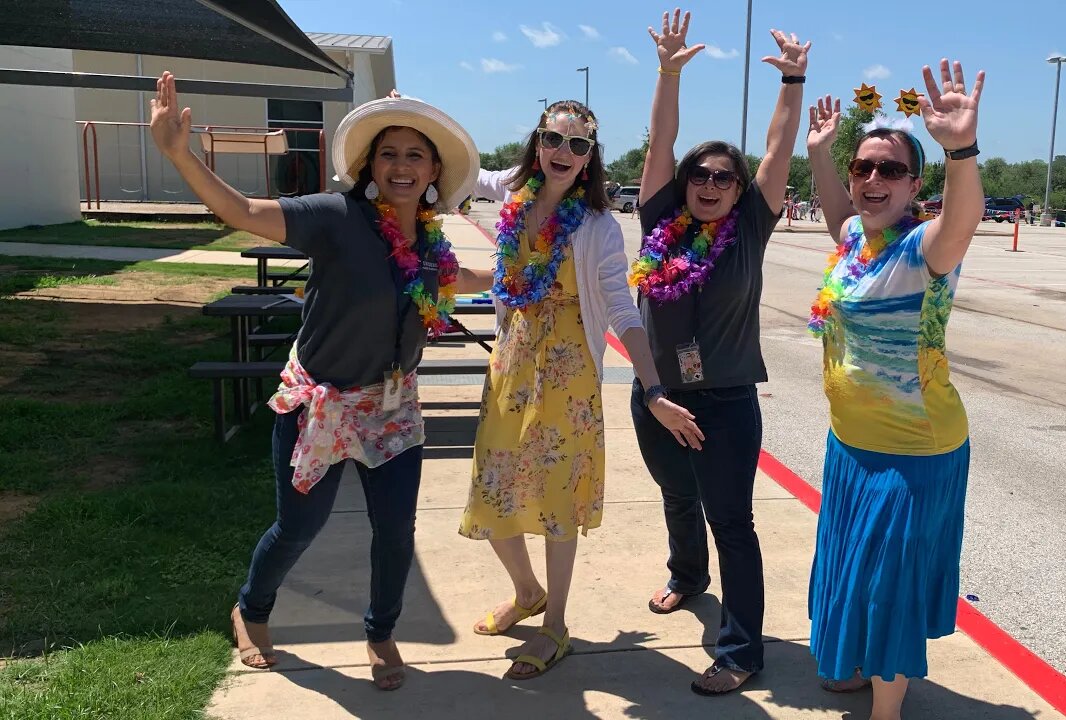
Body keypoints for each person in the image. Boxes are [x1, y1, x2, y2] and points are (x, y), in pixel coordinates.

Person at [149, 73, 492, 690]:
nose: (402, 165)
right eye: (389, 153)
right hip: (320, 404)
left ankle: (381, 631)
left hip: (391, 407)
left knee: (395, 531)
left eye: (416, 154)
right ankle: (251, 607)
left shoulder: (430, 239)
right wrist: (181, 154)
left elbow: (455, 277)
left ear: (435, 169)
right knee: (299, 527)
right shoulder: (337, 217)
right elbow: (243, 211)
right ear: (370, 165)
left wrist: (519, 278)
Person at [459, 99, 702, 681]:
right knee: (493, 489)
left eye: (578, 146)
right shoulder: (511, 200)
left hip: (568, 379)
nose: (563, 153)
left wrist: (653, 389)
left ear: (591, 159)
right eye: (553, 140)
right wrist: (411, 118)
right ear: (536, 144)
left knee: (557, 498)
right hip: (512, 368)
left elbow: (621, 308)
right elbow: (459, 165)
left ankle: (556, 624)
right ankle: (527, 591)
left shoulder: (596, 228)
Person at [630, 9, 806, 696]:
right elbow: (660, 141)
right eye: (699, 175)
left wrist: (792, 80)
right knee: (676, 496)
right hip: (655, 396)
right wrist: (668, 72)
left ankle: (741, 651)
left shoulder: (750, 229)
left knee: (732, 520)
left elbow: (776, 148)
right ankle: (686, 576)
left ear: (740, 191)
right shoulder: (658, 221)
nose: (709, 184)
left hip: (726, 402)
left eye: (723, 178)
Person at [804, 56, 986, 720]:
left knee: (887, 586)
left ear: (916, 185)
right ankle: (859, 667)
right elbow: (836, 214)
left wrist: (961, 148)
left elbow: (965, 218)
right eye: (863, 168)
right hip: (851, 444)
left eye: (890, 170)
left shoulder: (925, 252)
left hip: (915, 450)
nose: (873, 179)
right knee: (849, 571)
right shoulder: (856, 239)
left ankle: (887, 711)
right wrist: (823, 155)